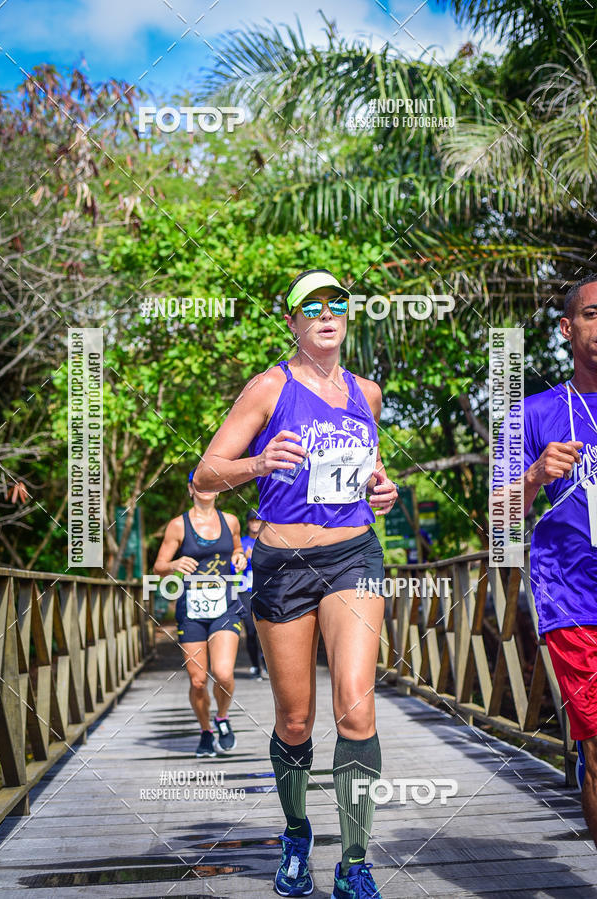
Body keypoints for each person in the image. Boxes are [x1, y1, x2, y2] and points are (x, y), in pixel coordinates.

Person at [192, 268, 398, 899]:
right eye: (313, 304)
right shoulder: (268, 387)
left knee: (356, 707)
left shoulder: (369, 393)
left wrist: (384, 490)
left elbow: (371, 471)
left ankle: (356, 860)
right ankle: (297, 834)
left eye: (338, 302)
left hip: (354, 558)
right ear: (293, 321)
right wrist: (259, 462)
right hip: (282, 566)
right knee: (295, 718)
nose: (327, 312)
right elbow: (205, 475)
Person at [520, 272, 597, 845]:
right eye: (592, 314)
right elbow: (498, 523)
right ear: (568, 329)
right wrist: (533, 476)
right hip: (574, 600)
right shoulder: (534, 413)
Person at [153, 471, 247, 757]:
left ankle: (222, 717)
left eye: (211, 484)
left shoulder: (230, 520)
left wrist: (239, 557)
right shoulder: (177, 526)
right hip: (191, 607)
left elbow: (238, 548)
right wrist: (174, 564)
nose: (205, 489)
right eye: (199, 484)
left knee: (223, 673)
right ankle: (206, 730)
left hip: (225, 605)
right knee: (197, 680)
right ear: (190, 488)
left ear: (218, 489)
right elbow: (159, 566)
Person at [237, 508, 267, 679]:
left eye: (257, 520)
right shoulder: (241, 543)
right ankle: (255, 665)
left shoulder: (267, 540)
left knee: (265, 628)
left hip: (264, 589)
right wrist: (243, 560)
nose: (255, 523)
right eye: (252, 520)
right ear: (247, 523)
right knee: (250, 630)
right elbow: (233, 567)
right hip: (245, 590)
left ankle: (266, 662)